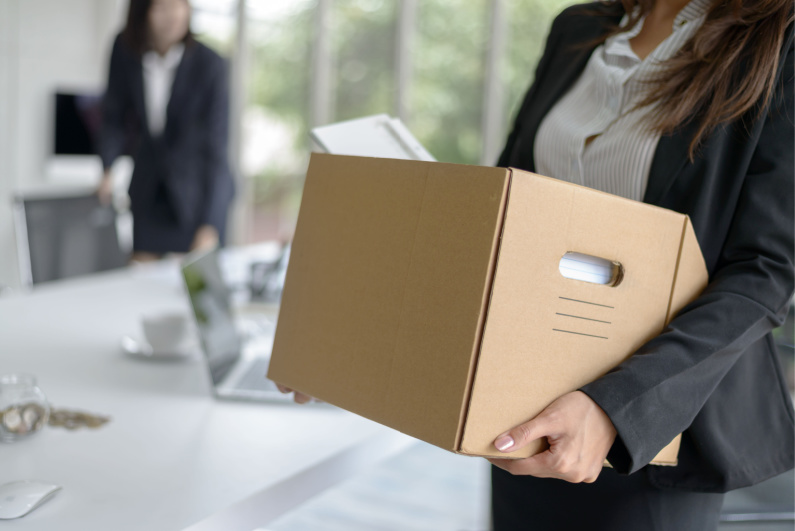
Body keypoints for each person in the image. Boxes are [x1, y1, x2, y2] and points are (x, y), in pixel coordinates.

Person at [279, 0, 794, 528]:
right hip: (519, 407)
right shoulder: (581, 27)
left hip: (649, 427)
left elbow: (766, 271)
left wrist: (614, 407)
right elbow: (505, 221)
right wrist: (352, 339)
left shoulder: (779, 43)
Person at [97, 0, 234, 261]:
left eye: (180, 5)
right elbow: (112, 115)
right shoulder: (125, 50)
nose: (173, 16)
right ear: (141, 11)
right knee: (140, 282)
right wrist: (107, 168)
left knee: (194, 289)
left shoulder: (210, 64)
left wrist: (210, 223)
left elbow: (217, 148)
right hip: (149, 188)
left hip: (197, 193)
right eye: (162, 8)